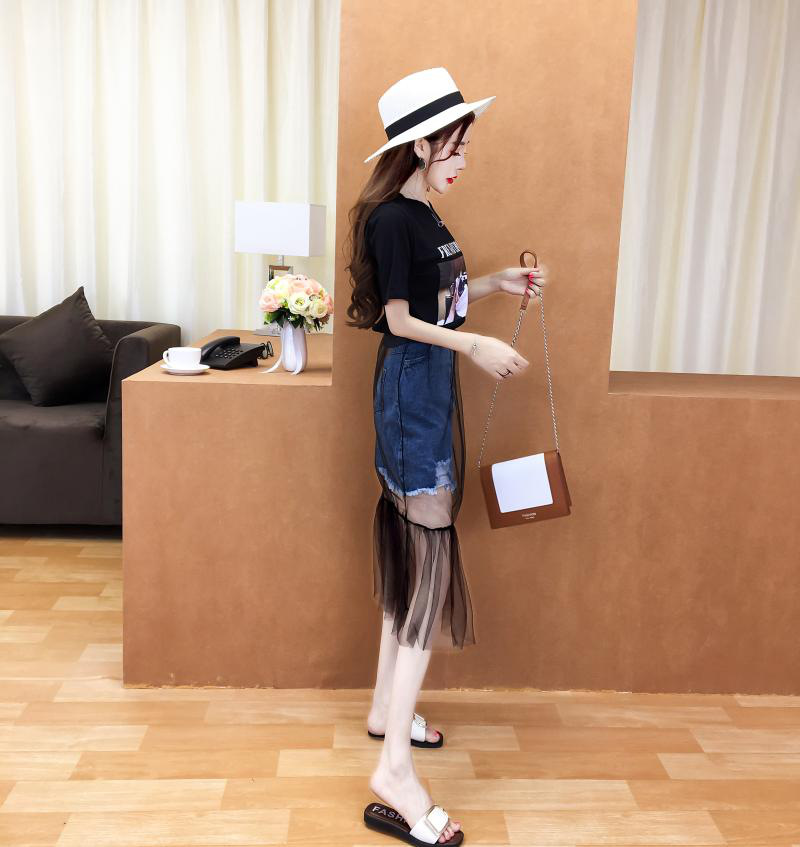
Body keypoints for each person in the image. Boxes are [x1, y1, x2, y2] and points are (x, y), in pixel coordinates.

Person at [344, 67, 548, 846]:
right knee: (426, 570)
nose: (463, 159)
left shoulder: (427, 210)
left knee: (415, 560)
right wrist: (474, 344)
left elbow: (438, 299)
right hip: (412, 395)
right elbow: (400, 320)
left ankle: (382, 711)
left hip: (428, 389)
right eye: (455, 146)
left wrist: (494, 282)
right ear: (422, 144)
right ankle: (394, 769)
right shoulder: (394, 218)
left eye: (465, 145)